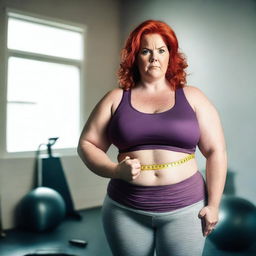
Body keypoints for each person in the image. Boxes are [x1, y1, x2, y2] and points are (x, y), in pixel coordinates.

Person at [77, 19, 227, 256]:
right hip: (125, 210)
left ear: (171, 56)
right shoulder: (115, 98)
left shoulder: (194, 97)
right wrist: (115, 171)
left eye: (161, 50)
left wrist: (214, 205)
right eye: (146, 51)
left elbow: (216, 151)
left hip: (186, 209)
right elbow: (87, 144)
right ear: (135, 57)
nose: (154, 57)